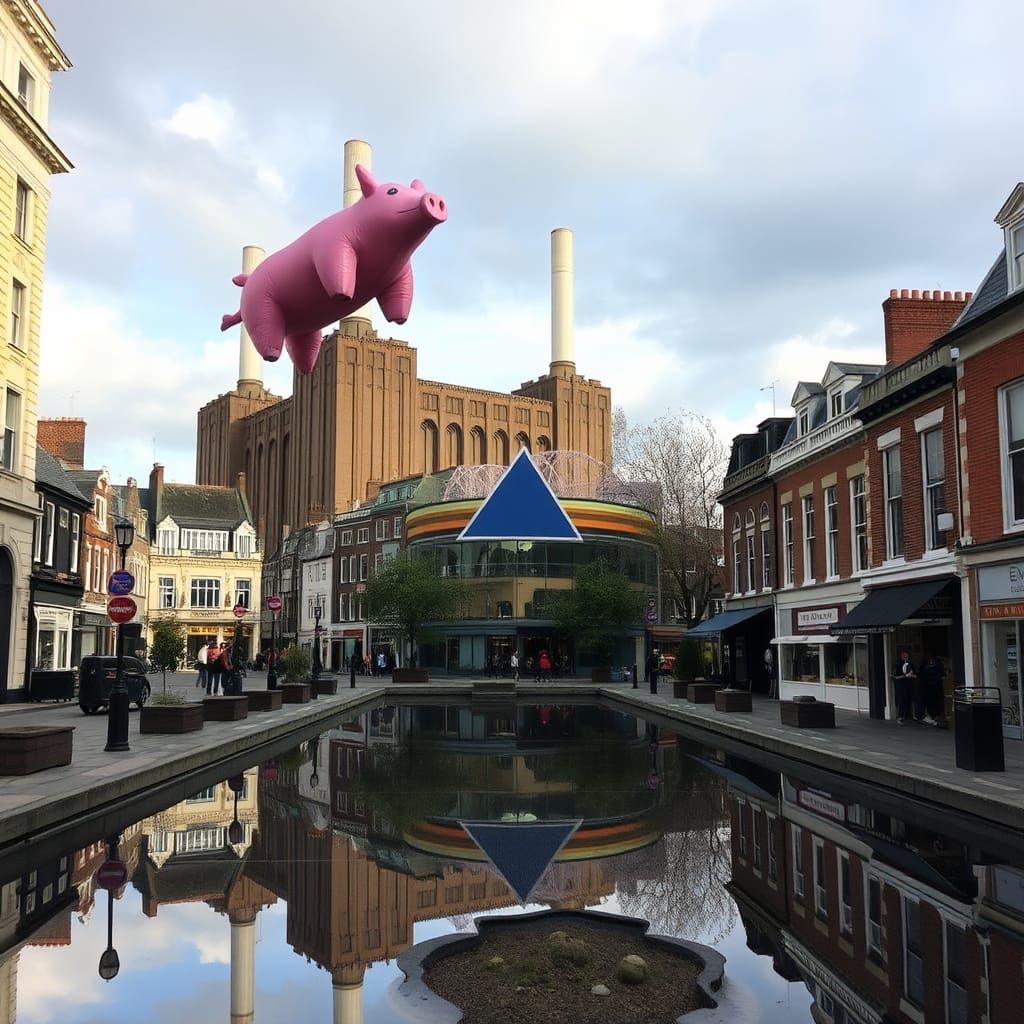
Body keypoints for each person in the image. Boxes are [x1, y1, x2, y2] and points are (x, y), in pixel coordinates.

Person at [919, 654, 947, 726]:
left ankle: (934, 716)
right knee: (934, 701)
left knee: (933, 701)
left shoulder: (926, 666)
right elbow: (942, 674)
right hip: (932, 686)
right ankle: (935, 716)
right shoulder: (936, 665)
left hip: (932, 686)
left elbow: (921, 675)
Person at [892, 649, 916, 724]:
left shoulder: (910, 664)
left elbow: (915, 674)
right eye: (904, 656)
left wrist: (912, 675)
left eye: (907, 656)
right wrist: (905, 676)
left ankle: (911, 715)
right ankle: (900, 717)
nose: (906, 657)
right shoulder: (898, 664)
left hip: (910, 685)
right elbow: (895, 677)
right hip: (901, 686)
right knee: (901, 701)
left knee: (910, 699)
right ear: (901, 656)